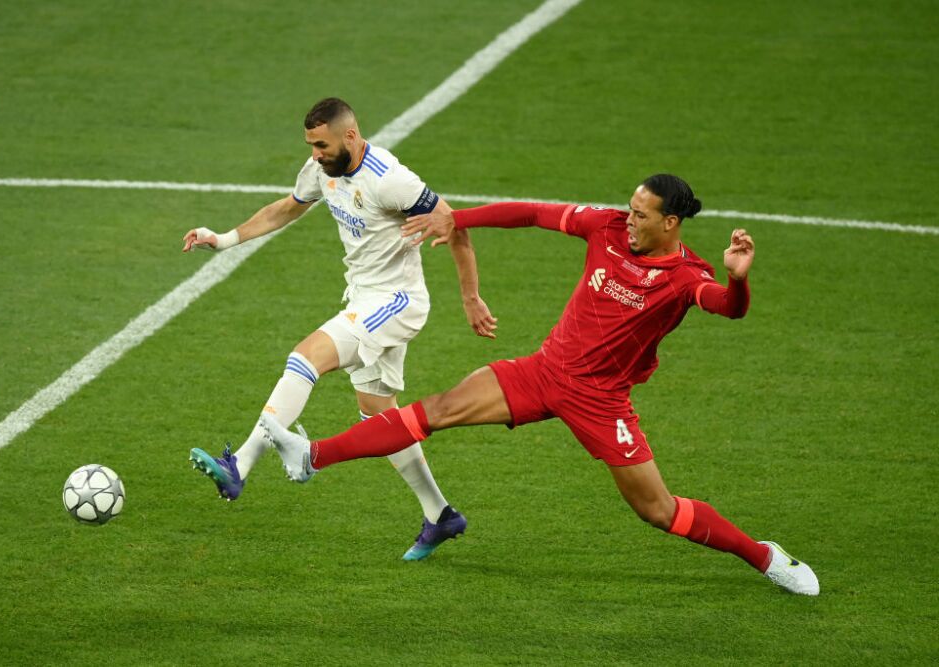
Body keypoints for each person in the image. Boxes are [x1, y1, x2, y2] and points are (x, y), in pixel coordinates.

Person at [262, 174, 820, 595]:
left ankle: (765, 557)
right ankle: (312, 456)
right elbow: (531, 213)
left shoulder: (685, 278)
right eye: (628, 209)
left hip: (602, 401)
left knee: (658, 511)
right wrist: (460, 220)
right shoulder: (603, 227)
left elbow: (727, 308)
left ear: (670, 223)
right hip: (543, 372)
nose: (628, 219)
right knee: (436, 410)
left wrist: (738, 280)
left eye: (641, 214)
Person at [183, 97, 498, 561]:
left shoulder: (391, 179)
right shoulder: (323, 170)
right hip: (363, 298)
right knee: (379, 415)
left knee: (305, 356)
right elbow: (285, 209)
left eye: (321, 145)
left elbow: (456, 227)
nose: (315, 154)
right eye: (310, 145)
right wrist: (224, 239)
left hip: (397, 302)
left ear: (350, 136)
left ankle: (241, 465)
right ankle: (441, 514)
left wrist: (470, 298)